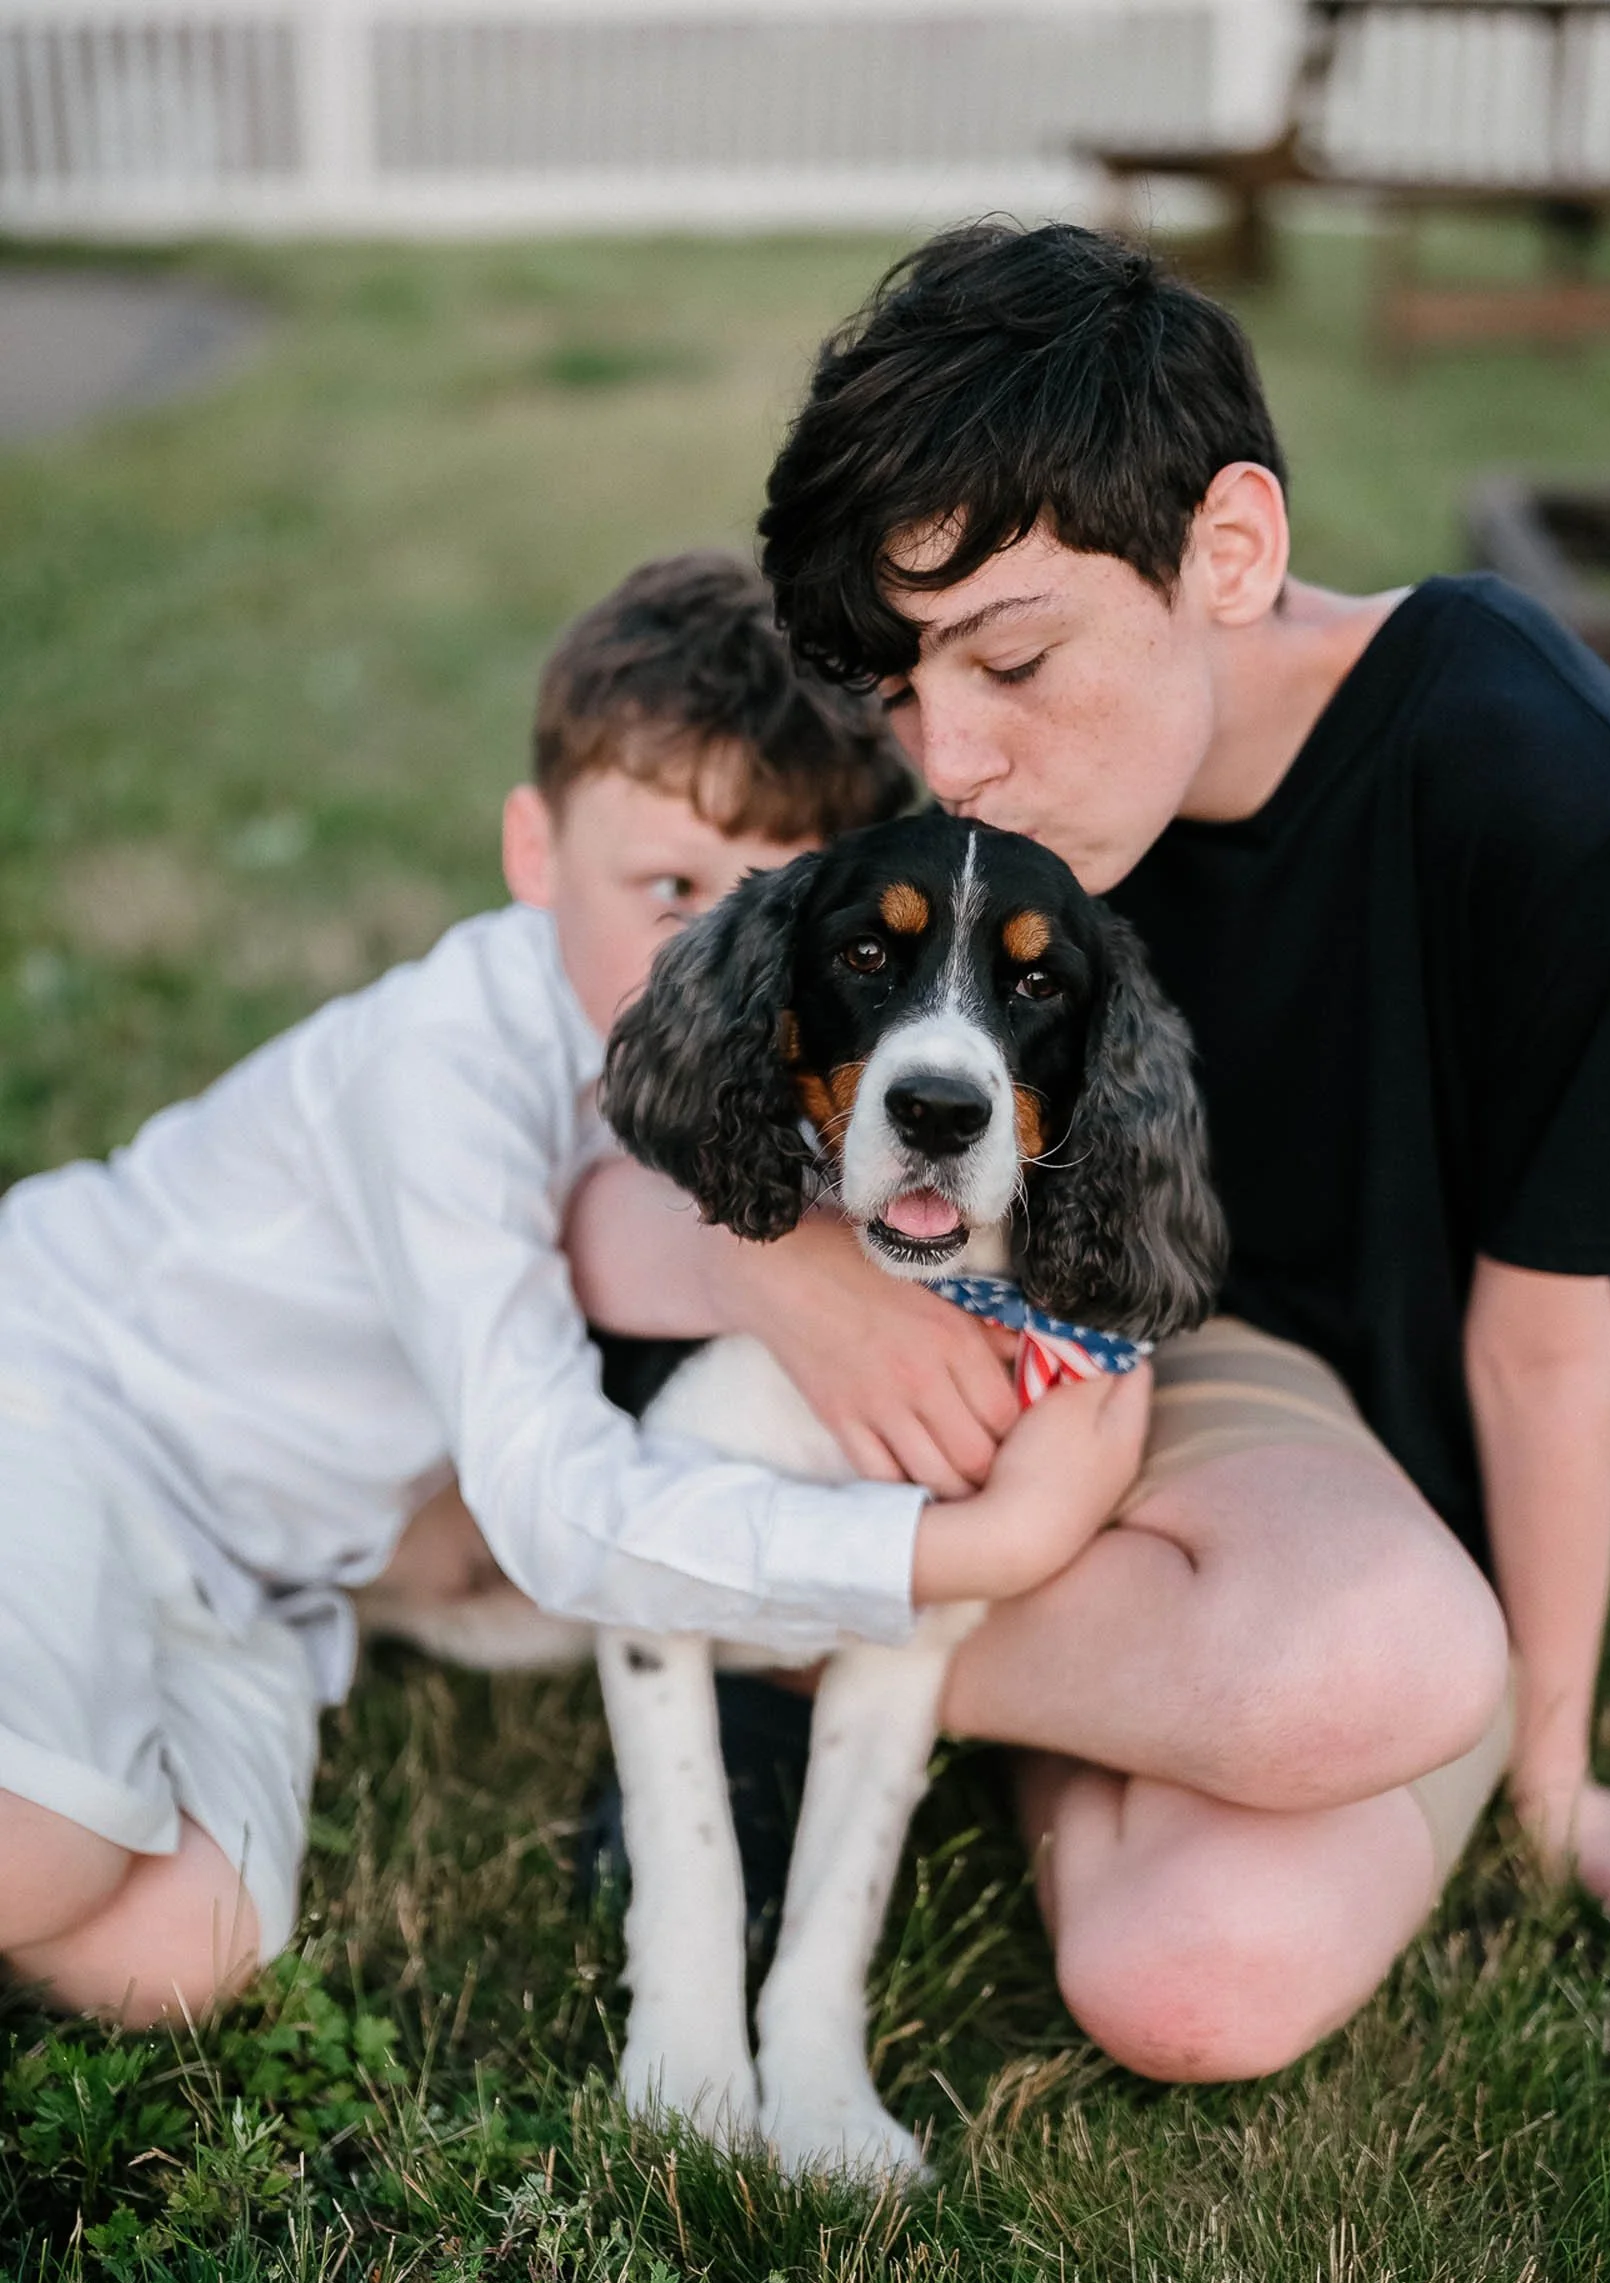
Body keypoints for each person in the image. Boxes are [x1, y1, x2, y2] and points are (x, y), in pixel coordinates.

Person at [568, 225, 1610, 2084]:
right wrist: (791, 1279)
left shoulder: (1547, 780)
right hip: (1029, 1346)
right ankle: (938, 1631)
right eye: (903, 695)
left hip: (1311, 1433)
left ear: (1224, 553)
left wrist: (1550, 1784)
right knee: (1317, 1708)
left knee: (1196, 1977)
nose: (957, 760)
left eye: (1010, 658)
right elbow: (626, 1137)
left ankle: (783, 1631)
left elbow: (1543, 1331)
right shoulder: (941, 797)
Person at [0, 549, 1144, 2030]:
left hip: (258, 1579)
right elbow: (556, 1510)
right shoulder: (439, 1070)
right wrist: (953, 1554)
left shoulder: (775, 1088)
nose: (704, 954)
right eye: (664, 887)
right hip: (63, 1406)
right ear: (533, 852)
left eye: (753, 909)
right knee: (42, 1857)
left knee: (173, 1959)